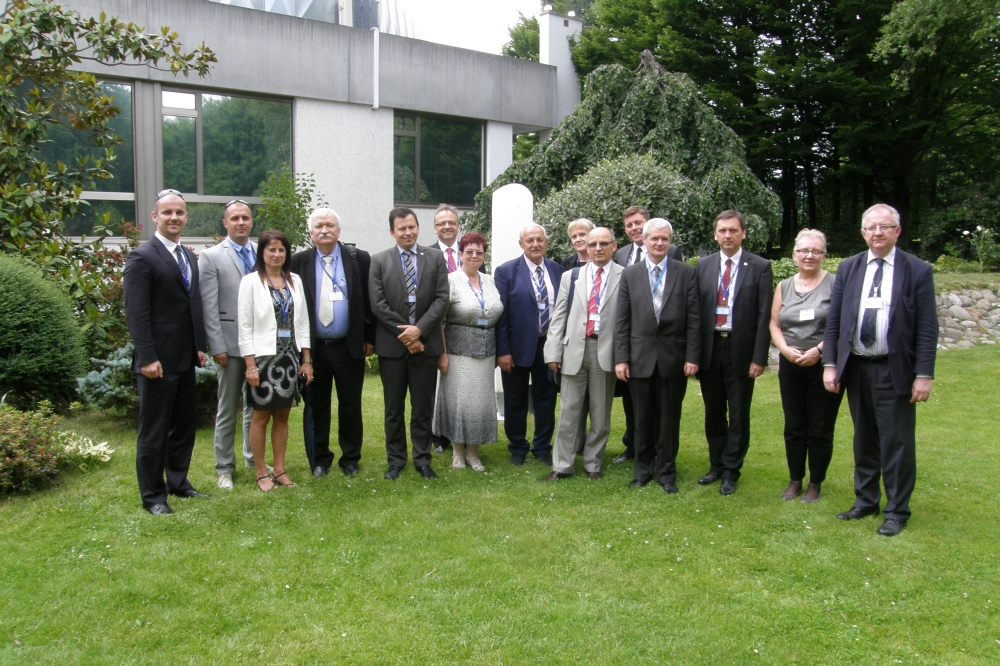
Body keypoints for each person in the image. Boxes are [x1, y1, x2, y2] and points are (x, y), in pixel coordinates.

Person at [823, 204, 937, 536]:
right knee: (864, 439)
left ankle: (897, 510)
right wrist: (830, 364)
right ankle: (866, 500)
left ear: (897, 231)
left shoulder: (917, 270)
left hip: (894, 369)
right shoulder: (849, 268)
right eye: (871, 227)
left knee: (896, 442)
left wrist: (924, 374)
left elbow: (927, 327)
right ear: (863, 233)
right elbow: (835, 321)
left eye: (884, 227)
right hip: (857, 367)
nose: (877, 233)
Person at [123, 189, 209, 515]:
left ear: (186, 217)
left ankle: (178, 481)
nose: (174, 217)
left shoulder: (187, 256)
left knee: (183, 427)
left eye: (180, 212)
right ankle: (153, 496)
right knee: (154, 432)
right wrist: (147, 357)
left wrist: (199, 345)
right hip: (157, 361)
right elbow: (137, 312)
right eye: (168, 212)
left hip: (185, 359)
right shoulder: (142, 257)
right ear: (155, 216)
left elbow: (193, 304)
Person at [614, 219, 700, 492]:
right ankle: (642, 471)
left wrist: (692, 357)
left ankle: (666, 473)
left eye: (664, 239)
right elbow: (622, 321)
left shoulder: (686, 273)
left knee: (669, 420)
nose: (659, 243)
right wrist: (621, 358)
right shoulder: (630, 274)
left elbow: (694, 319)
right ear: (645, 241)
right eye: (654, 238)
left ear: (670, 242)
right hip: (639, 359)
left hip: (673, 359)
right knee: (641, 420)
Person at [290, 208, 374, 478]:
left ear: (338, 230)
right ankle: (320, 459)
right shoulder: (298, 262)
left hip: (348, 346)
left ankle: (350, 458)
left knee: (350, 404)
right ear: (311, 232)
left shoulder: (358, 258)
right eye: (318, 226)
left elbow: (368, 301)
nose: (324, 230)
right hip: (314, 349)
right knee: (317, 404)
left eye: (329, 225)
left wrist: (369, 338)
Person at [695, 210, 773, 496]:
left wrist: (759, 357)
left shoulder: (760, 266)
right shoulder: (702, 266)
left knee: (739, 413)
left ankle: (731, 470)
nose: (727, 235)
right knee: (713, 411)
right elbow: (696, 313)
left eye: (733, 230)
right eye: (722, 231)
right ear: (715, 234)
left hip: (741, 350)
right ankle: (715, 465)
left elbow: (764, 315)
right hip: (711, 348)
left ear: (743, 233)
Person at [369, 207, 449, 480]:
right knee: (393, 409)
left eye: (411, 227)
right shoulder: (379, 261)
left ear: (418, 228)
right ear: (392, 232)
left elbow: (442, 299)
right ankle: (396, 461)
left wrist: (419, 330)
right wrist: (407, 335)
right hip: (392, 348)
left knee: (422, 408)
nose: (408, 232)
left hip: (426, 345)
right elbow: (378, 304)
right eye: (402, 228)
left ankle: (423, 460)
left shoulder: (435, 257)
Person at [769, 229, 844, 503]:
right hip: (791, 364)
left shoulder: (836, 284)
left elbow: (841, 324)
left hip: (824, 364)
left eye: (816, 251)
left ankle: (815, 483)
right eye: (804, 251)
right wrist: (784, 350)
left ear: (824, 255)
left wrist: (818, 350)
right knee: (794, 426)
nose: (809, 255)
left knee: (820, 427)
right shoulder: (784, 286)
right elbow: (774, 323)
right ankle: (795, 479)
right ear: (794, 255)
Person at [543, 227, 621, 480]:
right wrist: (553, 352)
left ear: (614, 246)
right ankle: (562, 465)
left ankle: (593, 465)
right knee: (568, 412)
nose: (598, 248)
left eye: (603, 243)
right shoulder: (571, 276)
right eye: (593, 244)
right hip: (573, 350)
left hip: (605, 350)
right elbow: (559, 316)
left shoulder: (625, 275)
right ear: (586, 247)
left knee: (600, 414)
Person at [238, 230, 313, 492]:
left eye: (281, 250)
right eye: (271, 249)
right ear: (262, 253)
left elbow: (302, 322)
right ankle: (261, 472)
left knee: (282, 416)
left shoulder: (295, 281)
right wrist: (250, 365)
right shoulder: (250, 282)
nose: (277, 254)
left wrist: (306, 360)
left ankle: (279, 470)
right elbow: (244, 326)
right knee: (260, 417)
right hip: (263, 359)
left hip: (289, 358)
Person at [611, 205, 682, 466]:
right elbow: (623, 311)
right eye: (629, 225)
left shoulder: (672, 255)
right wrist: (622, 354)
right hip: (636, 347)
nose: (634, 228)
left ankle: (662, 457)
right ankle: (634, 448)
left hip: (666, 347)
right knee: (634, 406)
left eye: (638, 222)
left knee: (664, 410)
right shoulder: (622, 256)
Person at [198, 200, 258, 490]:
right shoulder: (211, 257)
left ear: (251, 221)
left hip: (259, 346)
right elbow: (208, 305)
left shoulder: (261, 251)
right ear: (225, 223)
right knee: (228, 408)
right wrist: (216, 346)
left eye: (245, 217)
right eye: (235, 218)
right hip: (230, 346)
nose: (241, 222)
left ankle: (252, 458)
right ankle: (224, 468)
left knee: (255, 406)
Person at [494, 223, 565, 466]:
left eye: (539, 240)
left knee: (546, 399)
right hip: (516, 347)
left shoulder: (558, 270)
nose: (535, 244)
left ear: (546, 242)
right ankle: (517, 447)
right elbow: (501, 315)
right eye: (530, 240)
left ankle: (542, 447)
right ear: (521, 244)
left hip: (549, 346)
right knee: (515, 399)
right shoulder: (506, 271)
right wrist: (503, 351)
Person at [433, 232, 503, 471]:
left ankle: (473, 453)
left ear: (484, 256)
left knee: (480, 403)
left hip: (486, 353)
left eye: (479, 252)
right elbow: (438, 321)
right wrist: (442, 353)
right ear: (460, 254)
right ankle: (458, 452)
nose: (474, 256)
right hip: (457, 352)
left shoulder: (490, 281)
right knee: (460, 403)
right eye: (469, 252)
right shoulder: (450, 281)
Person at [430, 203, 461, 455]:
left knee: (458, 383)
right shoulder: (426, 254)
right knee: (435, 384)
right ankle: (438, 435)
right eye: (442, 223)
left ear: (458, 226)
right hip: (434, 328)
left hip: (462, 329)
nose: (447, 226)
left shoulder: (471, 252)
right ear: (435, 228)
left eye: (451, 222)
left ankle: (458, 431)